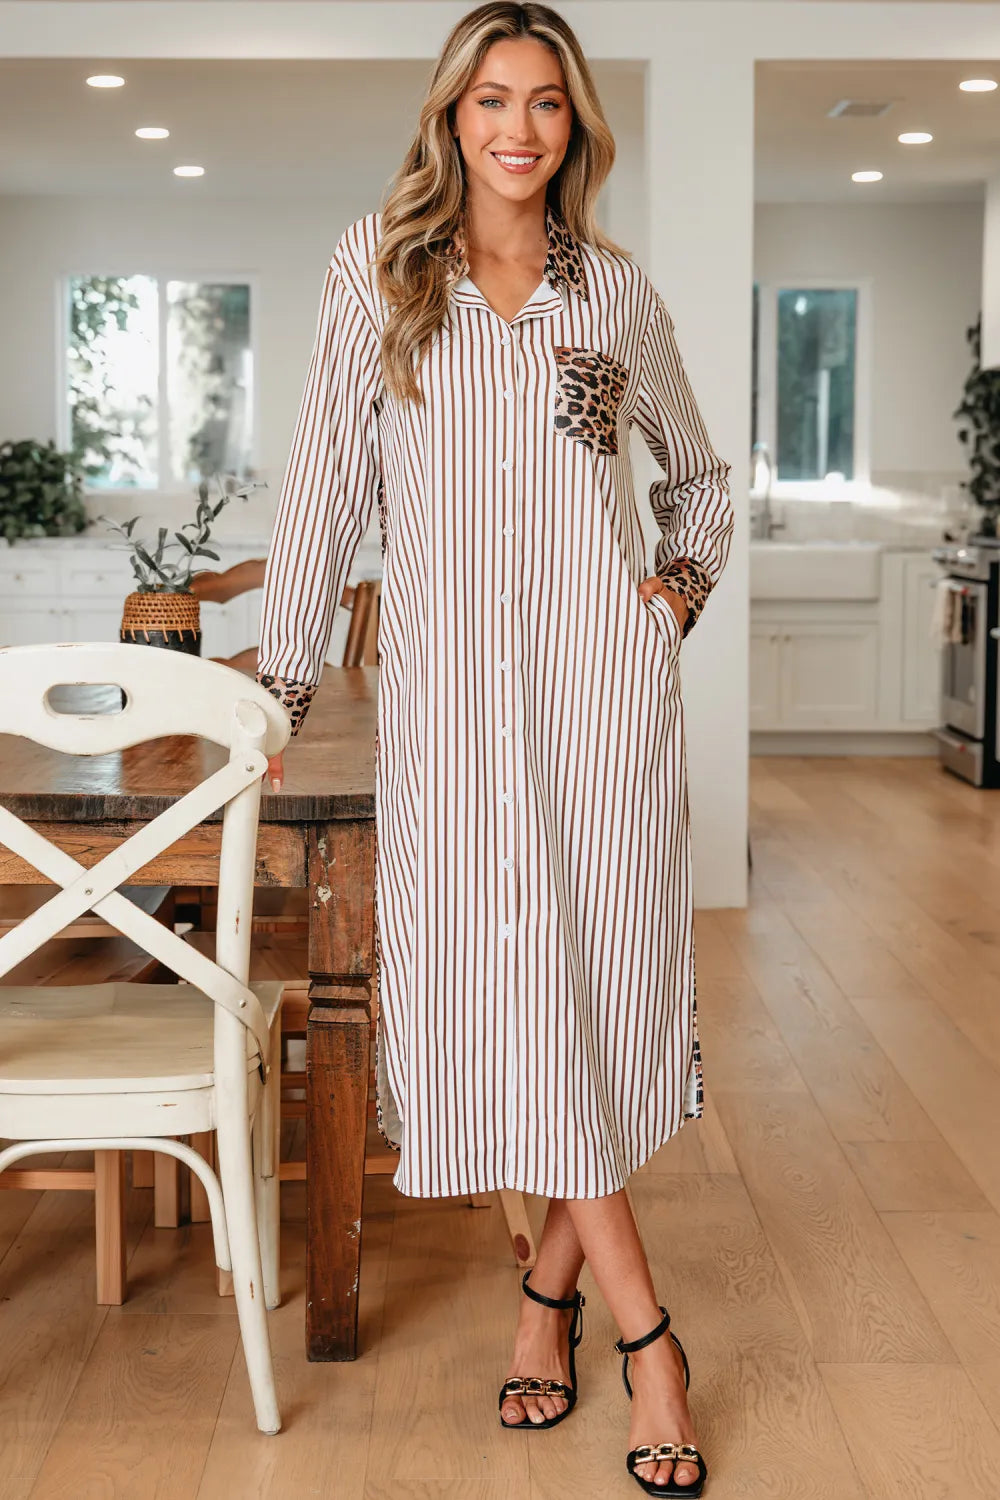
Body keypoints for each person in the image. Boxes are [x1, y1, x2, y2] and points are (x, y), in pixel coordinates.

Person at [256, 3, 733, 1492]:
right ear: (449, 119)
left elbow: (701, 485)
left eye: (544, 102)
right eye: (489, 101)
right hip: (454, 716)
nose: (517, 127)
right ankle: (632, 1326)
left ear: (576, 125)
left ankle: (562, 1310)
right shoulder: (379, 273)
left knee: (583, 996)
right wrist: (274, 689)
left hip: (603, 712)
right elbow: (324, 489)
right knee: (501, 1000)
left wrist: (663, 604)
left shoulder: (616, 297)